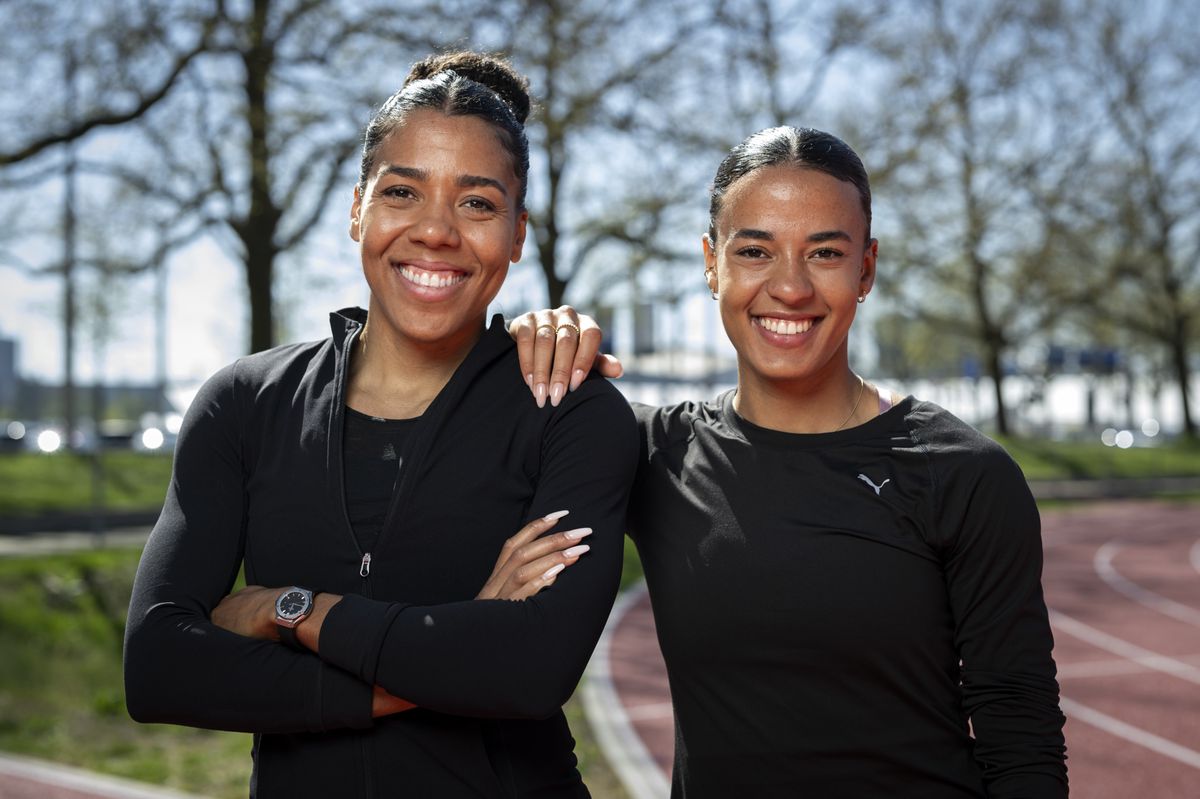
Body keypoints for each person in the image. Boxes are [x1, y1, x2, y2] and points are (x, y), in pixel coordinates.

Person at [123, 51, 638, 798]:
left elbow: (530, 671)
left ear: (518, 234)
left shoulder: (569, 410)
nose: (436, 231)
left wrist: (285, 608)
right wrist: (457, 643)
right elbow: (160, 667)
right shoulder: (244, 402)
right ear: (357, 208)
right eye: (403, 192)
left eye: (477, 204)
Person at [510, 126, 1068, 797]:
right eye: (755, 251)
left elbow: (1022, 740)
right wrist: (531, 335)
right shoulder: (653, 453)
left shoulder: (963, 473)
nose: (791, 287)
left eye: (825, 253)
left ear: (866, 268)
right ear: (711, 263)